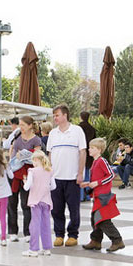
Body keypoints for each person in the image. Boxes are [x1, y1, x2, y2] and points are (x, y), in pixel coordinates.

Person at [46, 104, 87, 247]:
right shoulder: (52, 133)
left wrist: (80, 173)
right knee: (56, 209)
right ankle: (58, 234)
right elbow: (50, 154)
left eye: (57, 115)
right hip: (56, 178)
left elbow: (82, 152)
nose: (55, 118)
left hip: (72, 177)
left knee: (73, 208)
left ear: (65, 115)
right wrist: (48, 173)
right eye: (54, 116)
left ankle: (73, 234)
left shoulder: (77, 131)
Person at [81, 138, 125, 252]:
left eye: (92, 148)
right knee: (95, 219)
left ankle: (117, 240)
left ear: (99, 150)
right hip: (97, 195)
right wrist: (89, 184)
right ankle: (96, 241)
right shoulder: (95, 162)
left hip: (103, 196)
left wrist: (97, 183)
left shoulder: (102, 161)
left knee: (103, 219)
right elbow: (97, 177)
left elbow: (111, 175)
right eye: (89, 147)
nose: (89, 150)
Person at [8, 116, 42, 243]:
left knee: (26, 204)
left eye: (22, 125)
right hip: (15, 173)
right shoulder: (17, 138)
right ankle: (12, 231)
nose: (20, 127)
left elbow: (37, 157)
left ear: (29, 126)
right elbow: (14, 155)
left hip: (29, 174)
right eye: (20, 125)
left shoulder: (36, 139)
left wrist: (25, 155)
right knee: (11, 203)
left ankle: (28, 231)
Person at [22, 151, 57, 257]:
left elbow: (27, 187)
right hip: (46, 200)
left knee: (35, 224)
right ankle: (46, 248)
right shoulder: (49, 171)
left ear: (36, 160)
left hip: (35, 201)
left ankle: (33, 249)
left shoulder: (32, 171)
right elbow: (53, 187)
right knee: (45, 224)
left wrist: (25, 182)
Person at [78, 112, 97, 202]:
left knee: (81, 174)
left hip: (80, 154)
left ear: (81, 117)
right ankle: (88, 195)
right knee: (87, 176)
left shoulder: (78, 128)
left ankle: (81, 196)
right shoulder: (92, 129)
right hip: (90, 155)